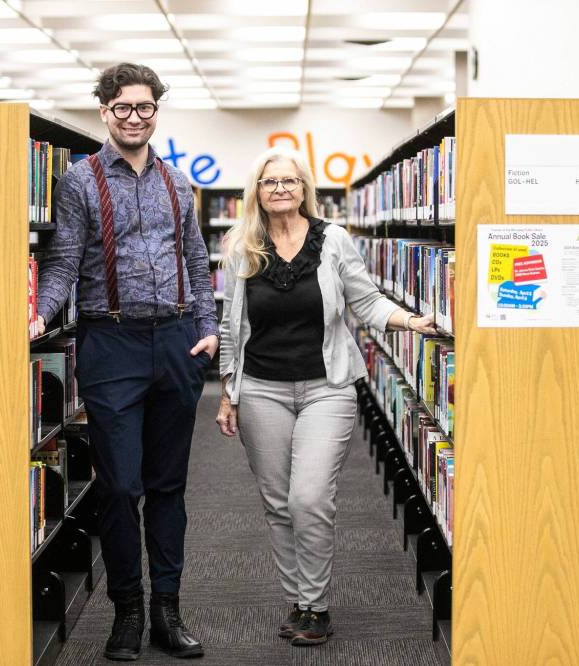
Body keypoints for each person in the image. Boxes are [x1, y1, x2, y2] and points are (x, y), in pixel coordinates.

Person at [32, 62, 217, 661]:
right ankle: (127, 611)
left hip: (177, 342)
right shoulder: (80, 181)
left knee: (168, 486)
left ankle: (168, 608)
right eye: (122, 108)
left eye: (145, 108)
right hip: (111, 343)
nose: (134, 117)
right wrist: (40, 312)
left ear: (156, 112)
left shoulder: (176, 183)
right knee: (117, 487)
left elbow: (194, 258)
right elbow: (62, 260)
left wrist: (209, 330)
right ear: (104, 113)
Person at [214, 147, 435, 647]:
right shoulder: (241, 246)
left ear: (304, 188)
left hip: (327, 387)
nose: (280, 189)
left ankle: (316, 603)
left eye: (289, 181)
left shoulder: (333, 240)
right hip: (262, 389)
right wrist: (229, 393)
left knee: (309, 497)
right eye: (270, 182)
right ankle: (299, 601)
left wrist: (412, 320)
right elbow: (232, 326)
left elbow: (366, 301)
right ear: (257, 191)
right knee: (277, 502)